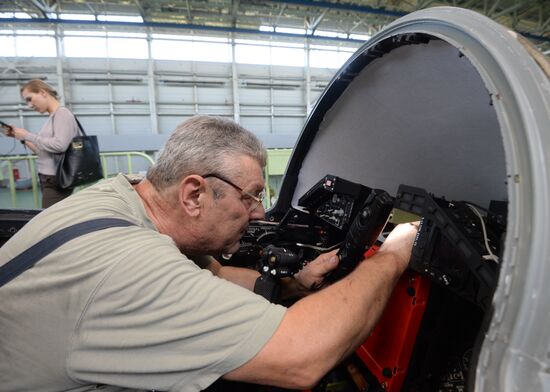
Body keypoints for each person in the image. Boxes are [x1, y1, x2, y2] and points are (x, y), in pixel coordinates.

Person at [0, 115, 417, 391]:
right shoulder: (132, 268)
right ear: (194, 194)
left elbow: (212, 272)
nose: (257, 214)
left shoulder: (123, 193)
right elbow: (301, 357)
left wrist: (293, 286)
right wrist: (394, 254)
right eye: (251, 198)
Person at [4, 79, 79, 208]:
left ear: (43, 92)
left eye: (29, 99)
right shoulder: (52, 117)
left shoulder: (62, 114)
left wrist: (27, 135)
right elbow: (41, 151)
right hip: (49, 179)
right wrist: (22, 138)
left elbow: (59, 145)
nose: (29, 105)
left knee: (49, 221)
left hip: (56, 180)